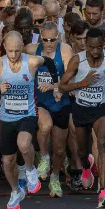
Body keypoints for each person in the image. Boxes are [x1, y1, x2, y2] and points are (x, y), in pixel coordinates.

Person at [0, 32, 58, 209]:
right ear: (3, 47)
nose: (13, 55)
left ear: (22, 47)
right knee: (8, 161)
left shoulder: (31, 62)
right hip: (7, 117)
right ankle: (15, 190)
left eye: (17, 51)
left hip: (28, 113)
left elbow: (49, 62)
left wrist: (55, 85)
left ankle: (30, 169)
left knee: (24, 144)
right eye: (10, 51)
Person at [59, 27, 105, 208]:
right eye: (92, 47)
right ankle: (86, 166)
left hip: (102, 107)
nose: (95, 51)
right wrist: (82, 83)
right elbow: (62, 86)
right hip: (81, 108)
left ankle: (102, 192)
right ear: (86, 45)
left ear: (103, 45)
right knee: (82, 152)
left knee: (101, 145)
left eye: (99, 47)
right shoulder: (78, 60)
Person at [27, 22, 74, 197]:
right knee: (45, 126)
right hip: (41, 101)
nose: (48, 44)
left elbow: (71, 76)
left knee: (60, 149)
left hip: (60, 102)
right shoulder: (32, 49)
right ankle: (44, 157)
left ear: (58, 37)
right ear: (40, 37)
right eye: (45, 39)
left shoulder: (65, 50)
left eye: (52, 40)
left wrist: (55, 86)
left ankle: (54, 178)